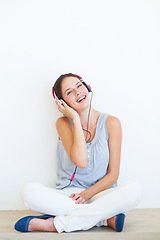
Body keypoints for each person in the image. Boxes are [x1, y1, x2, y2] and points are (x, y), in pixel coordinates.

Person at [14, 73, 142, 233]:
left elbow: (113, 174)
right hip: (70, 195)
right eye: (69, 92)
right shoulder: (63, 123)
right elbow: (81, 161)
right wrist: (74, 118)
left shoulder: (112, 123)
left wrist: (87, 195)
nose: (78, 92)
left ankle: (54, 225)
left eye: (79, 86)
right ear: (62, 103)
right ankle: (103, 218)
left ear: (87, 87)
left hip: (102, 193)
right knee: (28, 191)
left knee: (134, 190)